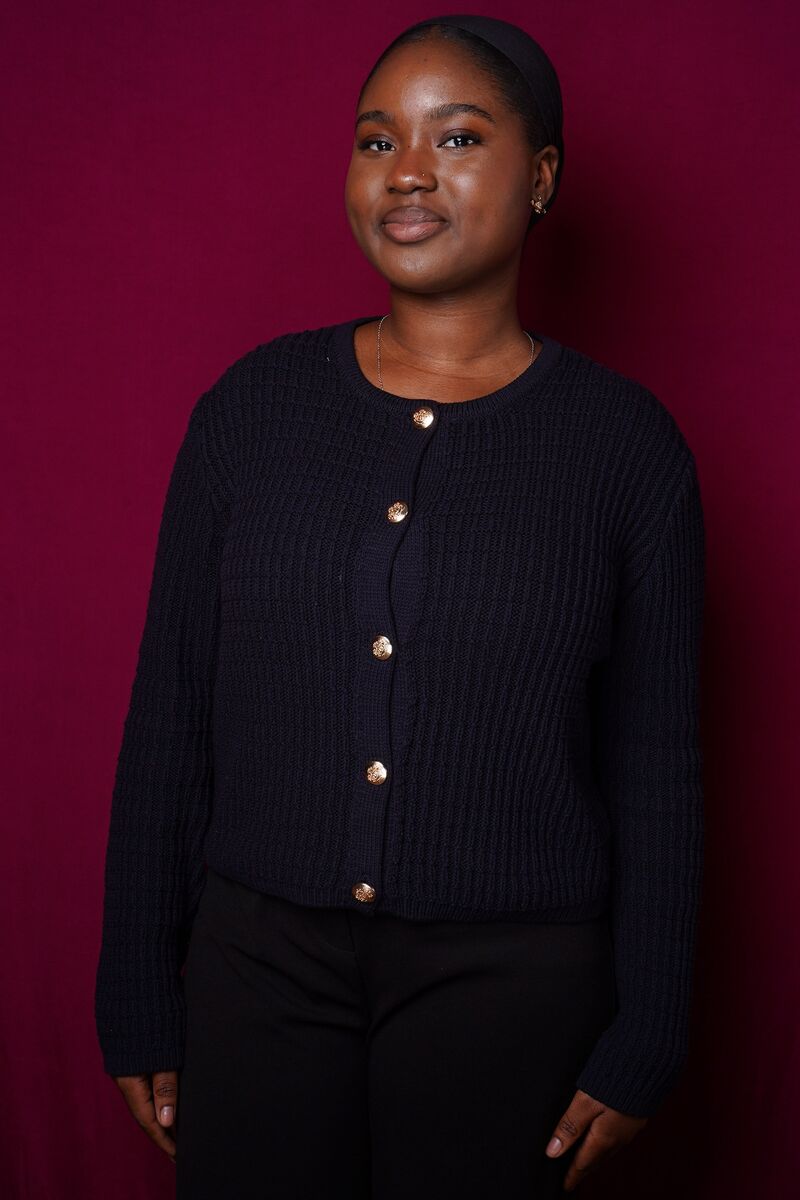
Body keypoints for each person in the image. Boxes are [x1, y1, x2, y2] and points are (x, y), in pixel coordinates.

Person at [94, 13, 706, 1199]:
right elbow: (170, 723)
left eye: (456, 135)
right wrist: (135, 993)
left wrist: (649, 1034)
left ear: (540, 176)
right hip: (253, 973)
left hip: (514, 989)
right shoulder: (249, 415)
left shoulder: (624, 450)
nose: (407, 171)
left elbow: (657, 769)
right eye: (376, 141)